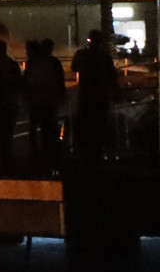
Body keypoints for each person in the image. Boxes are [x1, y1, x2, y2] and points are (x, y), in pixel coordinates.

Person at [70, 30, 118, 162]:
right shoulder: (104, 55)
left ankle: (85, 151)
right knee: (100, 123)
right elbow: (112, 75)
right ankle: (98, 150)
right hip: (101, 94)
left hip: (85, 93)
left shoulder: (81, 54)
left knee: (85, 122)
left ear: (89, 40)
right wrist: (115, 92)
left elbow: (74, 67)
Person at [23, 38, 66, 168]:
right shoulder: (53, 62)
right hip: (48, 100)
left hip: (37, 100)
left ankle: (36, 151)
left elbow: (26, 81)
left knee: (35, 126)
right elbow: (60, 80)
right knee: (49, 125)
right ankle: (49, 151)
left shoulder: (32, 63)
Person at [0, 40, 22, 167]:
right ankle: (7, 153)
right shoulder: (12, 63)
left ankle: (0, 154)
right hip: (11, 101)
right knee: (8, 129)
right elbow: (19, 81)